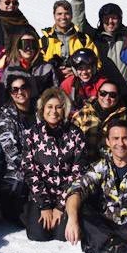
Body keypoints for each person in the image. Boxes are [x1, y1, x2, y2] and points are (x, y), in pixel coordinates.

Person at [64, 119, 127, 253]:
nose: (120, 143)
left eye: (125, 138)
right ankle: (113, 246)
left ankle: (107, 247)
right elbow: (76, 189)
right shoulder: (103, 164)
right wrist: (72, 219)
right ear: (108, 142)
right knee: (81, 208)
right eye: (115, 139)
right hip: (107, 223)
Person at [23, 88, 87, 242]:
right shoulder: (32, 134)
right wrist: (44, 206)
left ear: (64, 109)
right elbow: (29, 170)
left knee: (61, 235)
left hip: (66, 195)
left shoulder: (76, 134)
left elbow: (77, 172)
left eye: (58, 107)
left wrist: (60, 206)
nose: (54, 111)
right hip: (41, 194)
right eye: (49, 107)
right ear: (42, 109)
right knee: (38, 235)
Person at [0, 71, 37, 223]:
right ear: (10, 93)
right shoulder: (6, 118)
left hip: (44, 167)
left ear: (30, 89)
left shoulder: (41, 111)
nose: (20, 92)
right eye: (15, 89)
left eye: (23, 87)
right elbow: (12, 153)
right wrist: (33, 170)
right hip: (19, 172)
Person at [72, 0, 127, 87]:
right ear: (101, 20)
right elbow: (79, 23)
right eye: (106, 18)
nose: (110, 21)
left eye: (114, 18)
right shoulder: (95, 37)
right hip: (102, 92)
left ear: (120, 20)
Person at [73, 78, 127, 161]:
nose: (107, 98)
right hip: (85, 164)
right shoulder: (83, 114)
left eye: (112, 95)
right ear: (98, 94)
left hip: (114, 165)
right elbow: (71, 141)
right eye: (103, 93)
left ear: (118, 97)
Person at [40, 0, 101, 65]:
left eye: (67, 13)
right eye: (59, 14)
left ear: (72, 15)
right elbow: (37, 66)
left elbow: (96, 63)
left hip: (78, 75)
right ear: (54, 15)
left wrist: (74, 70)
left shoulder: (83, 39)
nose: (63, 17)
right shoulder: (44, 41)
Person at [1, 30, 59, 99]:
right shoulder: (10, 70)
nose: (28, 48)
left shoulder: (47, 69)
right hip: (17, 107)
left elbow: (55, 92)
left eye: (32, 44)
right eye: (25, 44)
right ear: (18, 47)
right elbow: (3, 95)